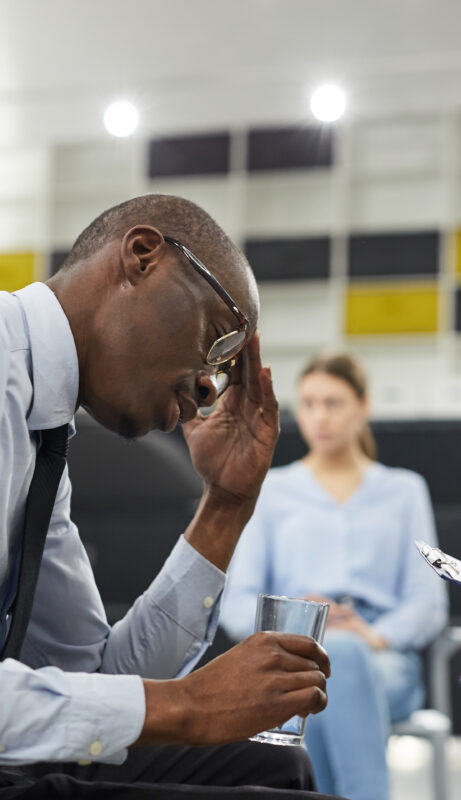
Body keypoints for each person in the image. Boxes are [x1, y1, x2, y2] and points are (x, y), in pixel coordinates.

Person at [0, 193, 345, 799]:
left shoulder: (43, 433)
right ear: (142, 256)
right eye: (216, 337)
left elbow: (98, 679)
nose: (211, 387)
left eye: (227, 363)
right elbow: (144, 707)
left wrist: (226, 506)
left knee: (275, 769)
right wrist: (187, 704)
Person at [220, 352, 448, 800]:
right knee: (321, 675)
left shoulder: (404, 490)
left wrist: (373, 636)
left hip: (383, 659)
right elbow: (237, 603)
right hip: (294, 655)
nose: (319, 416)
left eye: (333, 403)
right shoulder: (273, 490)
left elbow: (427, 602)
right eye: (308, 404)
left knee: (335, 667)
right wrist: (298, 629)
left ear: (363, 406)